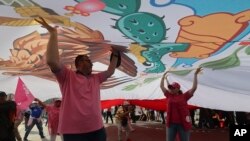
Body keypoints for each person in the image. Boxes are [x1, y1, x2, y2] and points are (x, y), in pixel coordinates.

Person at [34, 17, 120, 141]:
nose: (91, 63)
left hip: (97, 129)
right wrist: (53, 33)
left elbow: (110, 71)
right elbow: (52, 61)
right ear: (78, 64)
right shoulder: (67, 76)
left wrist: (116, 54)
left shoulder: (96, 78)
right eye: (87, 60)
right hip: (73, 132)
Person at [160, 67, 202, 141]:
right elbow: (161, 86)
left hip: (183, 123)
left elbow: (194, 88)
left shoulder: (184, 96)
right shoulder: (169, 95)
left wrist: (195, 75)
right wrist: (163, 77)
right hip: (171, 124)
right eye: (170, 88)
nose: (171, 89)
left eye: (173, 88)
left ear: (178, 89)